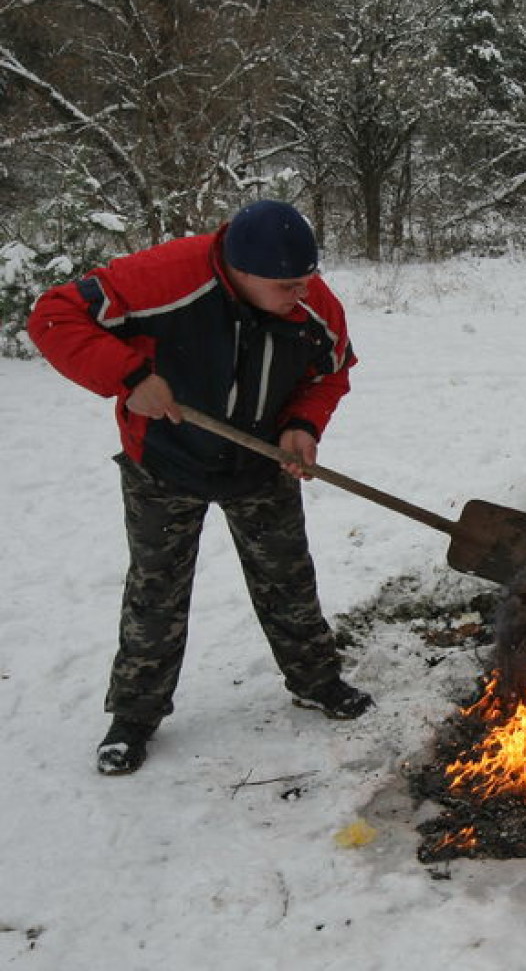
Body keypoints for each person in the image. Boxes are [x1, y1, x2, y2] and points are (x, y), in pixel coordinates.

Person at [27, 199, 373, 776]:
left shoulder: (313, 305)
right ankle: (134, 715)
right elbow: (54, 316)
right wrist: (130, 376)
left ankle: (317, 681)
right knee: (156, 592)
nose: (301, 295)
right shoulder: (165, 279)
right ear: (240, 270)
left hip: (260, 463)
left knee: (287, 577)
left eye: (307, 280)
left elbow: (330, 371)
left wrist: (301, 426)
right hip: (164, 463)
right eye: (286, 285)